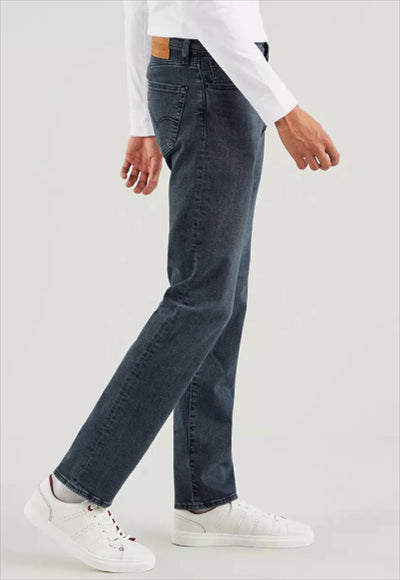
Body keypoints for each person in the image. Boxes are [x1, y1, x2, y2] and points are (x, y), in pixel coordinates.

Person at [24, 0, 340, 574]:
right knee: (201, 299)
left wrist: (142, 118)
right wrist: (284, 109)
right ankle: (71, 492)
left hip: (214, 72)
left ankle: (205, 499)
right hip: (214, 76)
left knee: (222, 297)